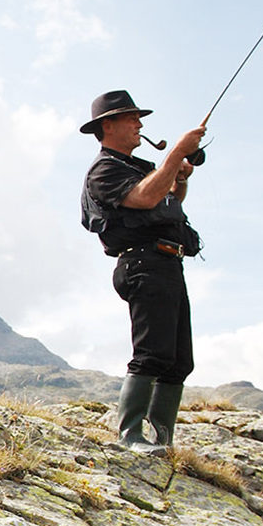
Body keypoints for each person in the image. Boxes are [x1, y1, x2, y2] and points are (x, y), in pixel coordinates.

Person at [78, 89, 204, 452]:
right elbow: (144, 199)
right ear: (108, 125)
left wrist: (178, 177)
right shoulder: (103, 170)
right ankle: (130, 436)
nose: (140, 124)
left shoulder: (141, 167)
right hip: (143, 264)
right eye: (131, 118)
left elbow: (167, 199)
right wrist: (177, 152)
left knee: (179, 360)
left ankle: (162, 440)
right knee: (152, 353)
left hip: (167, 264)